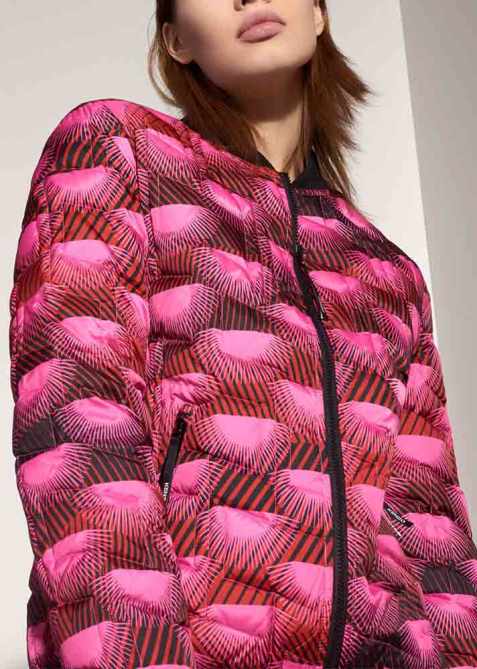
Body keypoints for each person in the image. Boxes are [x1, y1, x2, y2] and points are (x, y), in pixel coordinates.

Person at [8, 1, 477, 668]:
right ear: (175, 40)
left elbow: (433, 533)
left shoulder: (386, 272)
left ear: (319, 14)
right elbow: (81, 438)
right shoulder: (118, 151)